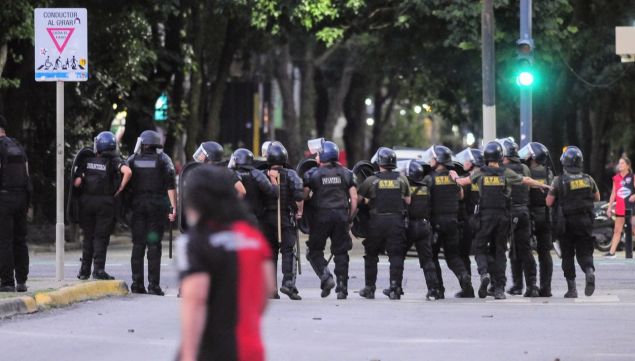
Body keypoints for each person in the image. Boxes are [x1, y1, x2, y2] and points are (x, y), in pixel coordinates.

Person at [177, 165, 273, 361]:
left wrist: (188, 354)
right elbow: (267, 288)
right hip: (252, 349)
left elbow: (195, 301)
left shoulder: (196, 241)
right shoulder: (254, 238)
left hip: (213, 351)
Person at [452, 141, 551, 300]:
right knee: (500, 252)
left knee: (480, 249)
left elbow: (462, 182)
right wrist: (543, 186)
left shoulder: (480, 172)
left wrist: (455, 177)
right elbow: (525, 180)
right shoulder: (506, 172)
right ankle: (499, 289)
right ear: (500, 156)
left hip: (485, 216)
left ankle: (484, 273)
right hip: (503, 218)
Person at [73, 131, 132, 280]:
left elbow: (77, 183)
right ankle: (98, 270)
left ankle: (84, 270)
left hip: (87, 202)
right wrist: (120, 189)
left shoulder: (87, 159)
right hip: (105, 203)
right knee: (101, 237)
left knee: (88, 236)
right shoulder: (113, 161)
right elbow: (128, 172)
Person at [303, 141, 357, 300]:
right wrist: (350, 218)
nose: (317, 157)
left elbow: (304, 196)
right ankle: (342, 288)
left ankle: (326, 276)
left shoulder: (313, 174)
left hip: (320, 217)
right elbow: (354, 198)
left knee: (314, 251)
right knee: (341, 252)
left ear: (324, 155)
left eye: (318, 154)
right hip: (341, 216)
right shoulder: (347, 173)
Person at [127, 130, 177, 295]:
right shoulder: (164, 160)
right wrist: (173, 207)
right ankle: (153, 286)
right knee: (154, 246)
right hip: (156, 208)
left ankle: (136, 284)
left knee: (138, 245)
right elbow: (171, 185)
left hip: (138, 206)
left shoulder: (133, 160)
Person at [546, 146, 600, 298]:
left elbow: (549, 202)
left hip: (566, 224)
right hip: (585, 222)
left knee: (568, 255)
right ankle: (589, 271)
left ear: (565, 163)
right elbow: (597, 197)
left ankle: (572, 289)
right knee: (585, 252)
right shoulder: (588, 179)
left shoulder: (558, 181)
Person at [357, 147, 410, 300]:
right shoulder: (402, 179)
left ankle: (370, 288)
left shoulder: (371, 180)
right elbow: (408, 201)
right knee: (396, 255)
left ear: (379, 162)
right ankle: (395, 287)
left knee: (371, 254)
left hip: (377, 222)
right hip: (396, 221)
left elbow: (358, 200)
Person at [424, 145, 474, 299]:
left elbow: (424, 201)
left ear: (438, 161)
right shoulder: (455, 177)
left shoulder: (429, 179)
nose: (430, 160)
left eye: (433, 158)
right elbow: (460, 196)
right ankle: (464, 278)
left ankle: (438, 289)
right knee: (453, 256)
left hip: (437, 223)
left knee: (432, 256)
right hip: (453, 221)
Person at [260, 142, 304, 300]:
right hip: (285, 217)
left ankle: (271, 288)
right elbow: (299, 195)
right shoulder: (291, 174)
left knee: (270, 253)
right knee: (288, 251)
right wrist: (300, 211)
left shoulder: (261, 174)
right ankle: (288, 283)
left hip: (266, 220)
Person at [500, 138, 539, 297]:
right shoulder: (524, 168)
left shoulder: (503, 170)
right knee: (525, 250)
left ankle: (517, 285)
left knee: (513, 250)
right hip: (524, 212)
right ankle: (532, 285)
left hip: (510, 213)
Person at [519, 141, 554, 297]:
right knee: (544, 253)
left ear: (532, 156)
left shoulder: (526, 171)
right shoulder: (549, 173)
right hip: (546, 216)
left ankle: (532, 286)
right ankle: (546, 288)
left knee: (527, 251)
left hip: (530, 215)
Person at [0, 115, 31, 292]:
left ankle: (7, 282)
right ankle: (21, 280)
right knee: (20, 240)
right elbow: (27, 173)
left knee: (4, 240)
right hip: (21, 198)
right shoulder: (17, 146)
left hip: (4, 198)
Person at [402, 160, 441, 300]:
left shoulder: (404, 187)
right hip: (424, 226)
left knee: (398, 257)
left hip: (409, 227)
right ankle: (433, 289)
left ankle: (396, 287)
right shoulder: (426, 188)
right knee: (427, 260)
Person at [454, 148, 484, 276]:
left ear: (473, 162)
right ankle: (490, 280)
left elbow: (459, 198)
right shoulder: (486, 177)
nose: (464, 162)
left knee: (463, 253)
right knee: (484, 252)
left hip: (469, 220)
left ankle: (467, 287)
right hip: (485, 220)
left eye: (467, 160)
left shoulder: (465, 180)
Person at [228, 148, 278, 224]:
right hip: (255, 218)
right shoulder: (258, 174)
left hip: (237, 217)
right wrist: (273, 178)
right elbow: (273, 193)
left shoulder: (232, 174)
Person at [605, 156, 635, 258]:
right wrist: (609, 207)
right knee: (617, 230)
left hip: (631, 208)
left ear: (628, 165)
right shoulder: (616, 178)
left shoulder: (632, 177)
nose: (620, 165)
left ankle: (629, 252)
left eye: (622, 163)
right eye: (619, 163)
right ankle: (612, 252)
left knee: (633, 230)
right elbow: (613, 193)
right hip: (620, 208)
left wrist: (634, 196)